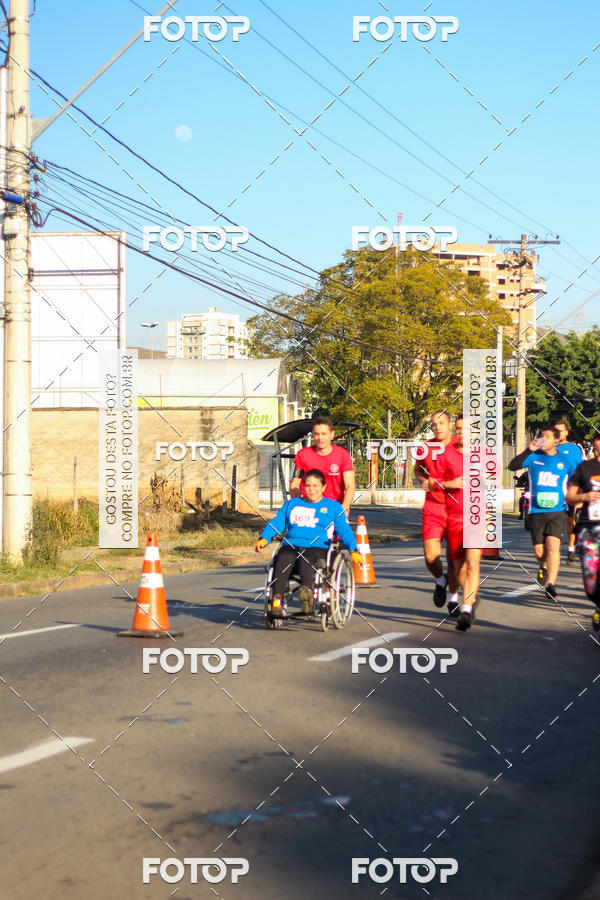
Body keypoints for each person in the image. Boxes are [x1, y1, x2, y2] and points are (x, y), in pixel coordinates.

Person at [255, 469, 363, 616]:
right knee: (283, 556)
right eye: (307, 485)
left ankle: (307, 594)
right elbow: (277, 522)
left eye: (315, 485)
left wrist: (353, 549)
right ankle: (277, 599)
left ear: (323, 487)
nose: (311, 489)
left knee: (307, 558)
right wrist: (265, 538)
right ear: (302, 487)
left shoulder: (333, 507)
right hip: (291, 545)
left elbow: (344, 530)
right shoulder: (292, 504)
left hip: (318, 547)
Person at [508, 426, 579, 600]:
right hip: (536, 511)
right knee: (540, 553)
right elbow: (512, 466)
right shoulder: (533, 456)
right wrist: (529, 449)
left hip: (558, 511)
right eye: (541, 436)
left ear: (555, 441)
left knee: (553, 546)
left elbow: (575, 481)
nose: (542, 439)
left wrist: (577, 498)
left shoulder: (565, 460)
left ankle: (551, 585)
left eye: (545, 437)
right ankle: (544, 565)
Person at [436, 416, 484, 631]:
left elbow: (497, 481)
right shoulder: (447, 455)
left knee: (473, 562)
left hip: (475, 517)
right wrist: (450, 483)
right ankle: (470, 596)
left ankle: (466, 609)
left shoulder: (484, 454)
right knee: (459, 566)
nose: (462, 432)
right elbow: (436, 483)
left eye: (466, 429)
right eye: (458, 429)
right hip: (454, 518)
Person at [414, 410, 460, 615]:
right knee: (430, 557)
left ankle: (453, 599)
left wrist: (441, 484)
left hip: (456, 508)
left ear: (449, 424)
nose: (438, 426)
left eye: (441, 422)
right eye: (434, 424)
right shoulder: (426, 447)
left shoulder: (461, 446)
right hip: (433, 508)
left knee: (453, 558)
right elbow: (418, 469)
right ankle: (440, 581)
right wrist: (423, 479)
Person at [565, 433, 600, 629]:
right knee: (590, 583)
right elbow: (569, 497)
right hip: (588, 529)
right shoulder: (585, 468)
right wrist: (585, 496)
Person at [290, 416, 356, 514]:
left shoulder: (343, 455)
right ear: (313, 435)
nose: (320, 438)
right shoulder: (302, 455)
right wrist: (299, 507)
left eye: (324, 434)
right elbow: (294, 485)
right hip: (310, 511)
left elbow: (350, 486)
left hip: (335, 511)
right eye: (317, 434)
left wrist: (343, 509)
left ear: (332, 434)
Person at [555, 420, 584, 564]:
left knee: (569, 520)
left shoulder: (574, 449)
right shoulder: (548, 448)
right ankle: (553, 552)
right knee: (555, 522)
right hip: (553, 491)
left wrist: (579, 492)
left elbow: (580, 470)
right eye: (556, 430)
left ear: (566, 432)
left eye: (561, 430)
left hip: (570, 490)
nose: (558, 433)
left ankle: (571, 549)